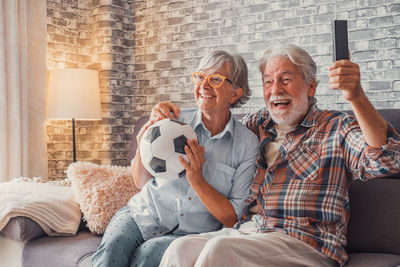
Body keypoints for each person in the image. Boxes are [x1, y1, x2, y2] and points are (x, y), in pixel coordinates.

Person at [155, 44, 400, 267]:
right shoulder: (256, 125)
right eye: (268, 82)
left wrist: (355, 96)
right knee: (181, 248)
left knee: (221, 250)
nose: (276, 90)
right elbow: (212, 117)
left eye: (285, 80)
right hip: (251, 232)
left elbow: (388, 159)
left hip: (307, 243)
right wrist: (167, 118)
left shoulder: (336, 127)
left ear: (311, 86)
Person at [90, 50, 259, 267]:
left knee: (147, 256)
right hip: (142, 213)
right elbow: (140, 181)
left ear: (235, 94)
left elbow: (232, 218)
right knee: (113, 247)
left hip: (189, 234)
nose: (204, 86)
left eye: (215, 80)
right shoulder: (173, 121)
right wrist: (147, 135)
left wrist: (196, 179)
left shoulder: (246, 144)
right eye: (200, 77)